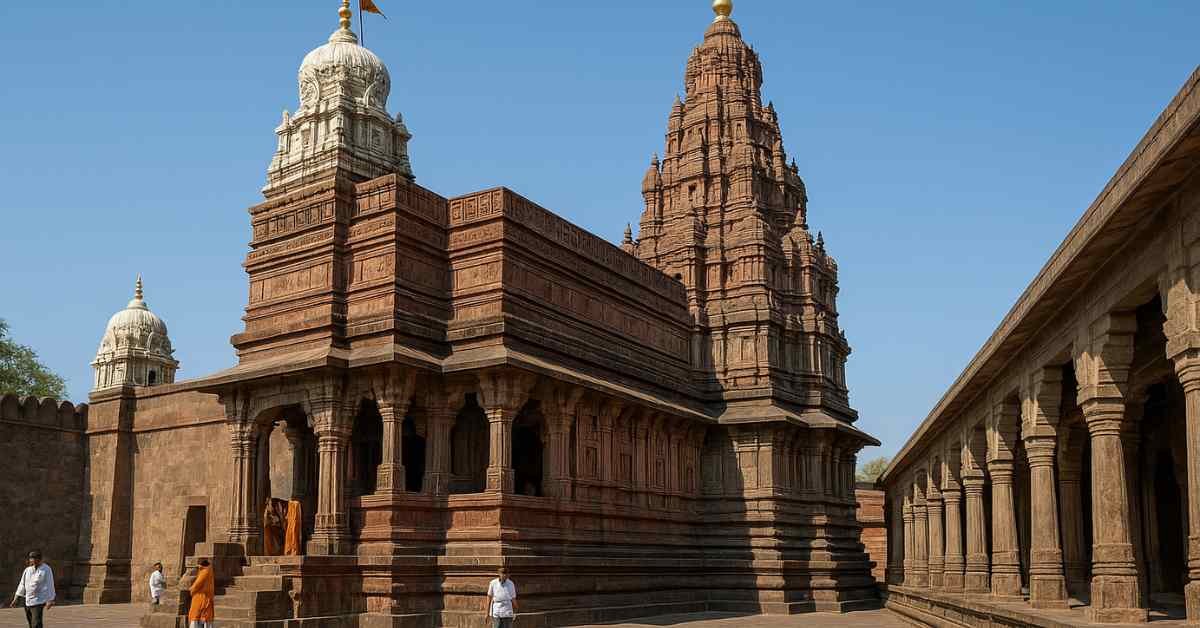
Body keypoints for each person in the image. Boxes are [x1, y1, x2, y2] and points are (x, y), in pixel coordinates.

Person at [9, 550, 55, 628]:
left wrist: (50, 599)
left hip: (39, 600)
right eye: (31, 559)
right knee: (31, 622)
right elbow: (22, 584)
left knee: (36, 623)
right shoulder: (27, 570)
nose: (31, 561)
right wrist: (16, 599)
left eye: (34, 559)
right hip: (28, 600)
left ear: (39, 560)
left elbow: (50, 584)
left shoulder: (46, 569)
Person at [187, 559, 215, 628]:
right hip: (206, 597)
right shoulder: (209, 571)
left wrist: (191, 590)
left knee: (195, 617)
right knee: (205, 619)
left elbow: (197, 584)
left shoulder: (204, 572)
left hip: (200, 598)